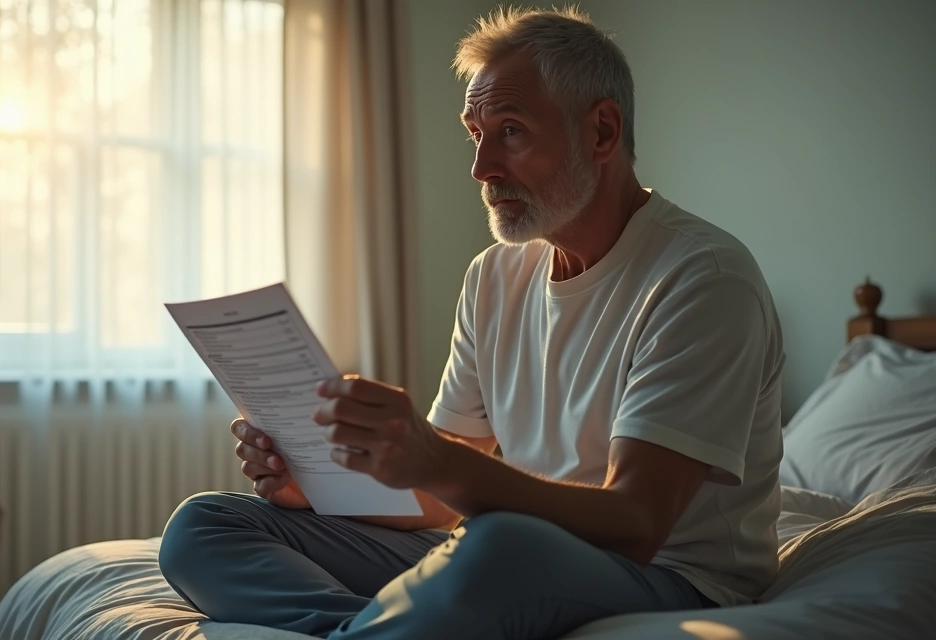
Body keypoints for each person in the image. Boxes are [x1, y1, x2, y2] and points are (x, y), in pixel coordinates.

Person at [158, 6, 784, 639]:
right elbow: (439, 497)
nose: (481, 168)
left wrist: (436, 462)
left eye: (510, 130)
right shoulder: (494, 276)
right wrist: (322, 490)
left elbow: (638, 523)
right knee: (205, 524)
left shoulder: (703, 278)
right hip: (507, 554)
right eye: (474, 133)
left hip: (666, 576)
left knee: (499, 543)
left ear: (600, 133)